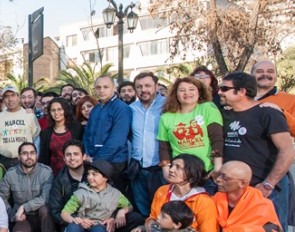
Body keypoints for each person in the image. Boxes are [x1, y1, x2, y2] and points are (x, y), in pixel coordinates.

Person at [219, 72, 295, 232]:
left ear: (242, 91)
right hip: (234, 190)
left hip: (263, 189)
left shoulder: (268, 113)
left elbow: (288, 150)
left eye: (224, 88)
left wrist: (269, 184)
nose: (220, 92)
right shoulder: (225, 114)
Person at [253, 60, 295, 232]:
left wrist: (280, 112)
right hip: (244, 173)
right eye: (260, 71)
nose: (265, 74)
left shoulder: (290, 100)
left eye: (270, 71)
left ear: (276, 75)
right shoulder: (243, 99)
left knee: (275, 227)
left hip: (273, 173)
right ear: (252, 75)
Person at [0, 142, 56, 232]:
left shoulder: (46, 171)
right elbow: (0, 197)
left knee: (45, 210)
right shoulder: (12, 174)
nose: (29, 156)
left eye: (32, 153)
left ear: (37, 155)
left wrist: (25, 206)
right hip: (23, 217)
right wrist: (13, 214)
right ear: (19, 157)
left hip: (42, 218)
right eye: (25, 153)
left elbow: (46, 197)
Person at [157, 77, 223, 190]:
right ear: (175, 94)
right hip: (180, 175)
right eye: (182, 90)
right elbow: (164, 147)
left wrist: (217, 167)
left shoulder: (208, 108)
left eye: (191, 89)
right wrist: (166, 173)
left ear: (199, 91)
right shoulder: (166, 117)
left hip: (206, 173)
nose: (187, 93)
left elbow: (217, 139)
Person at [128, 72, 167, 217]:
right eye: (139, 87)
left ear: (156, 86)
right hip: (138, 167)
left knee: (163, 209)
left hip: (161, 167)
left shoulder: (168, 105)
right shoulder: (132, 108)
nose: (143, 89)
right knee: (143, 209)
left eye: (147, 85)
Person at [84, 76, 131, 194]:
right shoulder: (96, 109)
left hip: (114, 162)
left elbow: (117, 140)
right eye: (98, 87)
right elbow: (87, 134)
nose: (101, 90)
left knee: (114, 200)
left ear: (114, 88)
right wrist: (86, 154)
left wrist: (97, 161)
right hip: (93, 160)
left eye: (106, 87)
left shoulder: (121, 108)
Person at [0, 85, 40, 169]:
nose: (10, 99)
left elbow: (36, 138)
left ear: (18, 97)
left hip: (26, 160)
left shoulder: (29, 115)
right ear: (3, 99)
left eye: (13, 95)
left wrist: (36, 156)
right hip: (4, 161)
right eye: (6, 96)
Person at [38, 98, 82, 173]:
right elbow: (43, 158)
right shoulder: (45, 133)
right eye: (53, 110)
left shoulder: (77, 128)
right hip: (53, 174)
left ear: (65, 110)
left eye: (59, 109)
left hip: (76, 172)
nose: (56, 113)